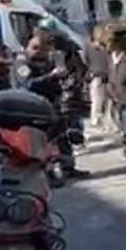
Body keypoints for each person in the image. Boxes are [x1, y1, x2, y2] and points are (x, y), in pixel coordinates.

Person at [17, 36, 90, 181]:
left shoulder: (47, 61)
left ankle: (68, 167)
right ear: (28, 47)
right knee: (41, 141)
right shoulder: (22, 63)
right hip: (33, 107)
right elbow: (28, 84)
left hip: (52, 104)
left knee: (61, 137)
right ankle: (47, 173)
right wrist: (51, 76)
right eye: (35, 48)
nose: (39, 52)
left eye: (43, 49)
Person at [84, 25, 112, 134]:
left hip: (101, 75)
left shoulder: (101, 47)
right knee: (100, 99)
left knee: (101, 100)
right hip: (101, 75)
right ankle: (98, 120)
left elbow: (86, 59)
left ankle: (100, 121)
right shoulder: (101, 47)